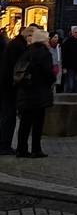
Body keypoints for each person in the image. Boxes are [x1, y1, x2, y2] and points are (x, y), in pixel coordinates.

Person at [14, 28, 56, 158]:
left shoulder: (28, 51)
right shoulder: (45, 53)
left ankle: (21, 149)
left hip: (26, 91)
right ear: (44, 40)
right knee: (38, 123)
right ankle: (36, 149)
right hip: (39, 93)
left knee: (25, 122)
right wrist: (52, 79)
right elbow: (48, 73)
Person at [0, 25, 32, 154]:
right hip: (9, 86)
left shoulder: (13, 43)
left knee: (6, 115)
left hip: (6, 84)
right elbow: (17, 67)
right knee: (8, 115)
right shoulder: (16, 46)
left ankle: (4, 144)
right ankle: (4, 145)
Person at [61, 25, 77, 95]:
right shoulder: (68, 42)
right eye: (75, 32)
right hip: (71, 66)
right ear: (72, 33)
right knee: (70, 84)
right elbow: (64, 55)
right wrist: (64, 67)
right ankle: (69, 97)